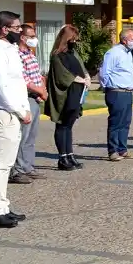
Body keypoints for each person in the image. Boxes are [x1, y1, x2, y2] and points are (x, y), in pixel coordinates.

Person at [0, 11, 31, 229]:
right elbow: (2, 88)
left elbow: (18, 83)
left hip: (14, 112)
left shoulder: (10, 50)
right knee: (0, 164)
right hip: (5, 111)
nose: (20, 32)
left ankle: (3, 206)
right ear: (3, 29)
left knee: (7, 163)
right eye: (16, 28)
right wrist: (20, 110)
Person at [45, 24, 89, 170]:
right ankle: (62, 157)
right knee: (62, 125)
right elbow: (63, 75)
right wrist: (79, 79)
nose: (74, 42)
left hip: (77, 93)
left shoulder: (73, 53)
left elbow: (81, 67)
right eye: (73, 38)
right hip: (65, 95)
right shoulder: (57, 56)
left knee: (69, 126)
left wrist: (87, 77)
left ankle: (70, 154)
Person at [9, 23, 47, 185]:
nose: (34, 39)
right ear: (22, 37)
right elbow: (24, 79)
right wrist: (39, 90)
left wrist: (42, 88)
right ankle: (16, 170)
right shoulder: (17, 54)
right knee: (22, 136)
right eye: (31, 36)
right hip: (25, 97)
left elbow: (37, 75)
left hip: (35, 98)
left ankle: (28, 166)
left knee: (31, 136)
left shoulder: (30, 54)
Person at [99, 29, 133, 161]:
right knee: (116, 122)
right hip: (116, 91)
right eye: (132, 38)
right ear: (124, 40)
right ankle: (113, 151)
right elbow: (105, 73)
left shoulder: (128, 53)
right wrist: (108, 88)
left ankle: (123, 149)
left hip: (128, 92)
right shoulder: (113, 53)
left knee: (125, 122)